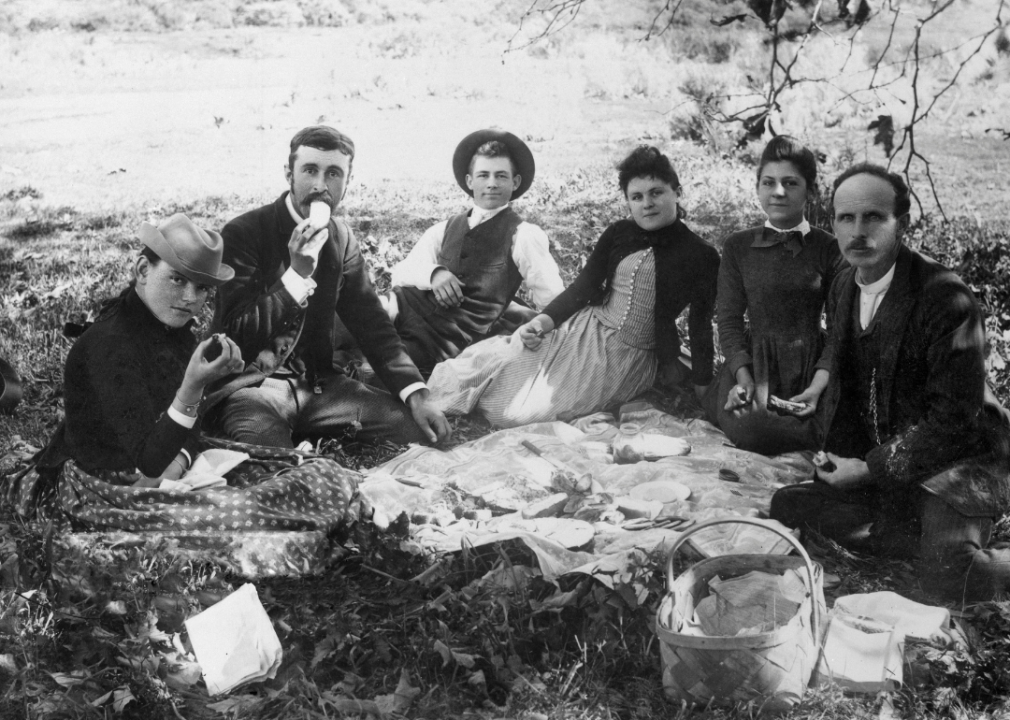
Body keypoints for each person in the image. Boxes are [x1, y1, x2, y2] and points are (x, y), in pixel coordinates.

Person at [9, 215, 361, 571]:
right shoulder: (108, 344)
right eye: (177, 280)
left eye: (202, 288)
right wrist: (191, 389)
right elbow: (149, 461)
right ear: (143, 270)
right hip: (105, 484)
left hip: (163, 465)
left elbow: (185, 430)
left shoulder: (172, 330)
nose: (190, 298)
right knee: (255, 518)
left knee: (309, 474)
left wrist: (181, 459)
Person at [770, 164, 1010, 602]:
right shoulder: (845, 281)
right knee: (790, 505)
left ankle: (943, 532)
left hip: (960, 458)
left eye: (873, 217)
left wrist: (868, 469)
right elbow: (850, 374)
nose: (858, 232)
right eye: (846, 218)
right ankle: (916, 529)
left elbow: (956, 421)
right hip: (895, 450)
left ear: (903, 222)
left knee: (947, 578)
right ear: (832, 223)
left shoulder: (944, 297)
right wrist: (838, 454)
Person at [426, 145, 719, 428]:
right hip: (584, 328)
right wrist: (542, 322)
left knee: (512, 414)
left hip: (628, 355)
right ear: (628, 200)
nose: (647, 204)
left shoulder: (700, 255)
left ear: (676, 193)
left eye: (656, 193)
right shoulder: (620, 232)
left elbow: (700, 325)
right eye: (637, 196)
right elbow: (585, 286)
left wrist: (703, 387)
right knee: (492, 362)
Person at [207, 125, 450, 449]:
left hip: (321, 387)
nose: (320, 185)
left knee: (418, 432)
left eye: (334, 173)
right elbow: (236, 332)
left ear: (347, 182)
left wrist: (416, 394)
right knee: (277, 465)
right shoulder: (245, 232)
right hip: (256, 389)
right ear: (288, 174)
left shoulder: (341, 238)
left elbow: (373, 324)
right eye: (310, 170)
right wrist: (295, 275)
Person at [704, 135, 845, 455]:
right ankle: (778, 428)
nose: (778, 192)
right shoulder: (737, 246)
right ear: (758, 188)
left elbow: (840, 331)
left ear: (810, 191)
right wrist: (742, 376)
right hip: (755, 365)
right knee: (750, 428)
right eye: (768, 182)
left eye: (790, 183)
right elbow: (727, 319)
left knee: (839, 424)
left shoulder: (830, 248)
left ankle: (813, 425)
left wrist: (817, 387)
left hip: (811, 364)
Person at [384, 129, 565, 377]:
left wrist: (542, 330)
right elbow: (402, 272)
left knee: (384, 367)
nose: (491, 183)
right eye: (483, 175)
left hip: (443, 341)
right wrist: (434, 274)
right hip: (405, 307)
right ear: (470, 181)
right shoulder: (446, 228)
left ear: (515, 182)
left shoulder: (523, 235)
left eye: (501, 176)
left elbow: (552, 297)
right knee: (351, 319)